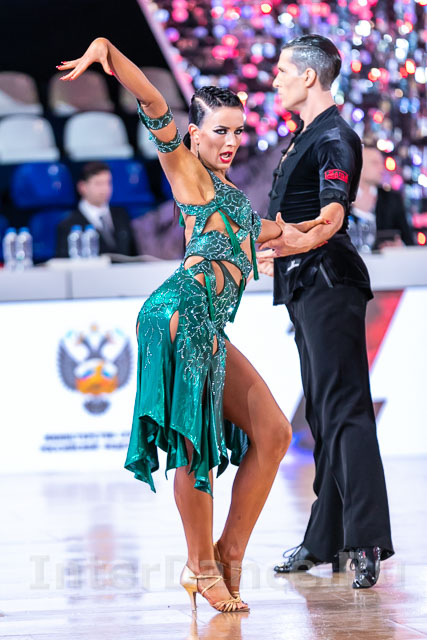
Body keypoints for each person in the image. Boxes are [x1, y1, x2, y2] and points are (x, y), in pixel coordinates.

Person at [57, 39, 326, 613]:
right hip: (178, 312)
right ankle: (201, 567)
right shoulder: (188, 174)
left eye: (238, 132)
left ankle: (227, 554)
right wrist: (108, 54)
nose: (230, 142)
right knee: (193, 444)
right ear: (195, 135)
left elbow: (291, 234)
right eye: (219, 131)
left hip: (205, 322)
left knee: (275, 433)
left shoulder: (238, 204)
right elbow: (154, 102)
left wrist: (331, 216)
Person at [257, 34, 394, 589]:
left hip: (329, 283)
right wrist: (276, 251)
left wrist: (282, 244)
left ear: (309, 76)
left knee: (345, 411)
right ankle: (325, 539)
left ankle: (366, 540)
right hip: (306, 285)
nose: (275, 80)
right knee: (322, 413)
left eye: (282, 71)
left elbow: (332, 216)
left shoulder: (335, 137)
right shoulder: (306, 135)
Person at [56, 161, 137, 257]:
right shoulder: (68, 224)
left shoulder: (122, 215)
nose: (105, 189)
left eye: (108, 183)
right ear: (82, 187)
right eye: (98, 184)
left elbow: (134, 254)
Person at [351, 145, 414, 250]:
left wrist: (399, 246)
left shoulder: (392, 199)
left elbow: (408, 241)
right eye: (375, 163)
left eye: (381, 163)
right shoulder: (339, 198)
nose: (381, 168)